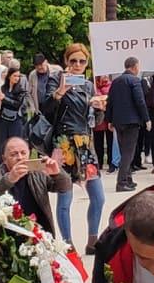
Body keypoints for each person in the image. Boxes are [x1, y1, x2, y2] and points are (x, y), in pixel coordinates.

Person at [41, 43, 108, 252]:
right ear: (66, 61)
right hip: (64, 145)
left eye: (82, 61)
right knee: (65, 197)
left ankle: (92, 240)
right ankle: (68, 244)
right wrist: (60, 91)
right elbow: (45, 108)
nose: (77, 65)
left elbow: (94, 121)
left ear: (86, 63)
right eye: (73, 61)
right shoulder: (56, 79)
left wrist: (99, 108)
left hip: (85, 144)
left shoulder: (88, 85)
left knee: (98, 197)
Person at [0, 136, 71, 235]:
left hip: (38, 231)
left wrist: (57, 173)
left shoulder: (37, 171)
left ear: (29, 154)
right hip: (6, 232)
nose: (20, 157)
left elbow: (65, 187)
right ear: (4, 158)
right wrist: (9, 179)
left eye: (23, 153)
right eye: (13, 154)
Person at [105, 57, 150, 193]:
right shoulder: (135, 81)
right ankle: (122, 182)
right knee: (128, 153)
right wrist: (147, 119)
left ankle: (128, 179)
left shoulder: (116, 81)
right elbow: (140, 101)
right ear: (135, 67)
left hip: (118, 121)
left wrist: (109, 120)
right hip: (131, 122)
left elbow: (110, 102)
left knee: (125, 151)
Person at [0, 66, 30, 150]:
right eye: (15, 76)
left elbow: (17, 104)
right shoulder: (2, 88)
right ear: (9, 76)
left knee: (15, 144)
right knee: (3, 144)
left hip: (16, 120)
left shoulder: (21, 90)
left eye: (18, 76)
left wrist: (4, 99)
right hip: (3, 119)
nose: (17, 78)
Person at [93, 73, 115, 172]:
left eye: (106, 75)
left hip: (109, 117)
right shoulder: (94, 86)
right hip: (98, 119)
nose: (105, 77)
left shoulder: (111, 86)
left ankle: (111, 162)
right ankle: (99, 162)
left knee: (110, 141)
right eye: (102, 75)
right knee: (98, 142)